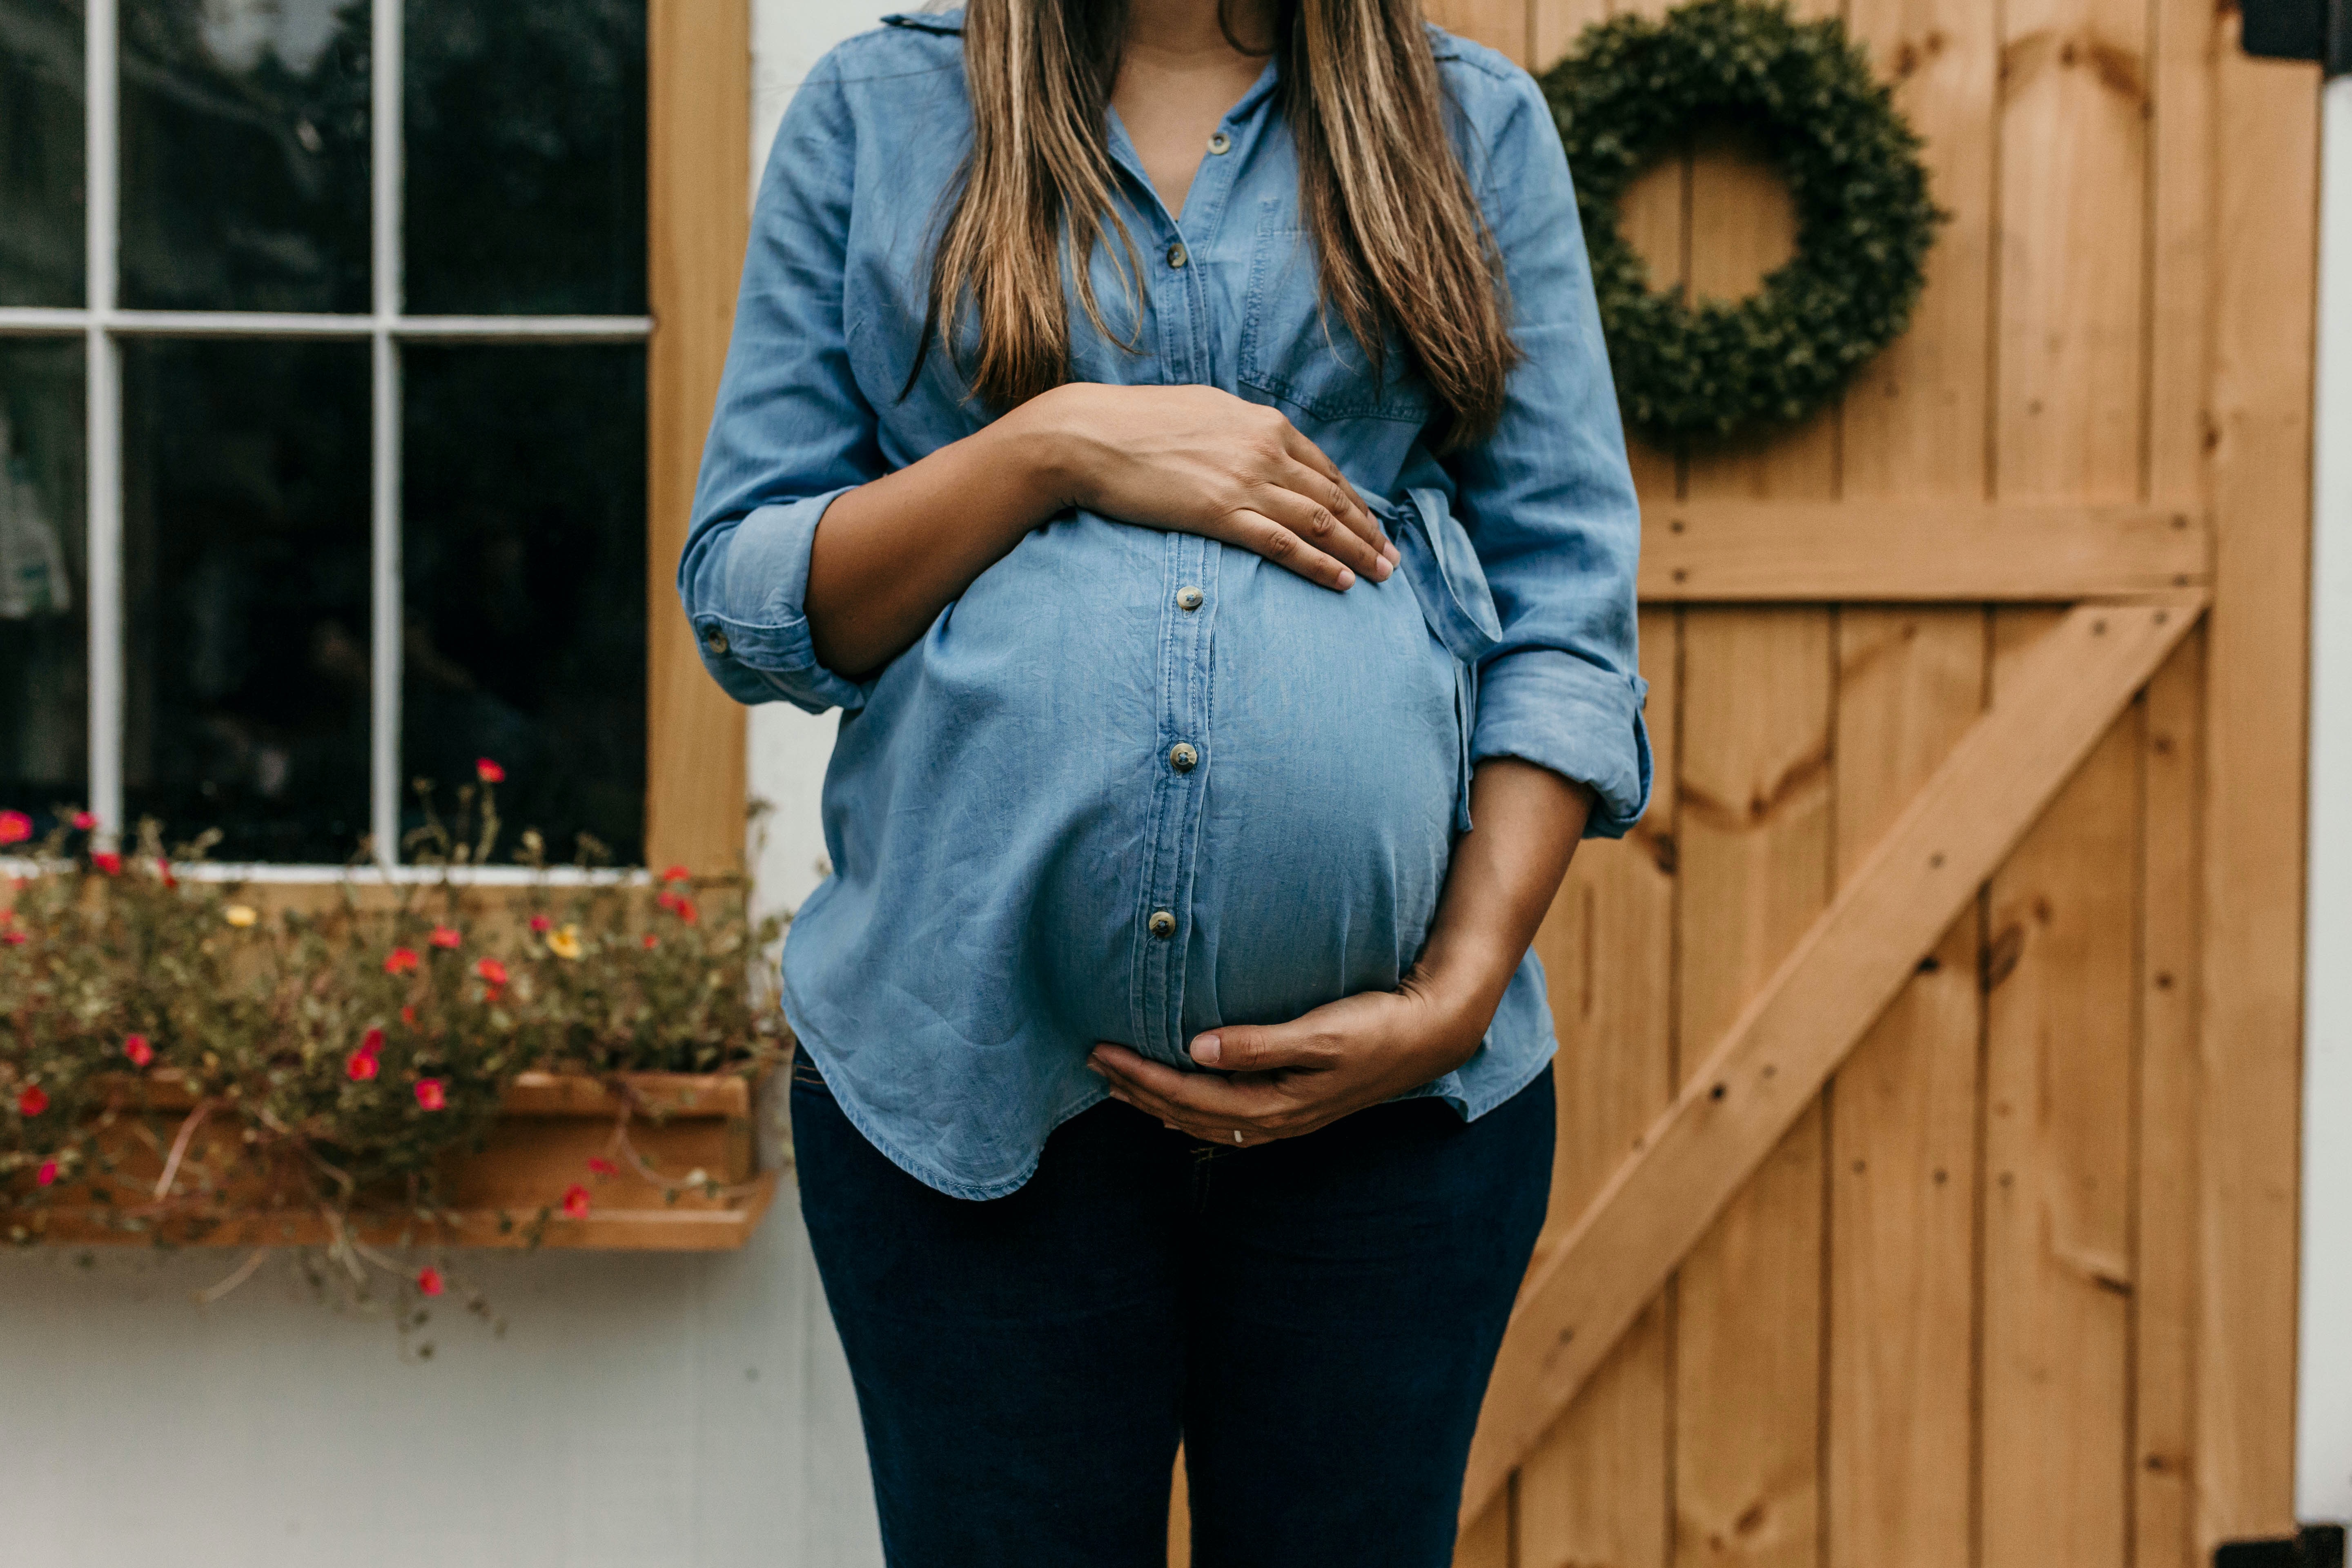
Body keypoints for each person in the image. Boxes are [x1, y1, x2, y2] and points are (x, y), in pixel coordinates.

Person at [679, 0, 1646, 1561]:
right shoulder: (880, 112)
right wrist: (1050, 445)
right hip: (963, 1091)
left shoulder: (1472, 123)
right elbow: (751, 597)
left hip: (1393, 1125)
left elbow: (1568, 606)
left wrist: (1459, 992)